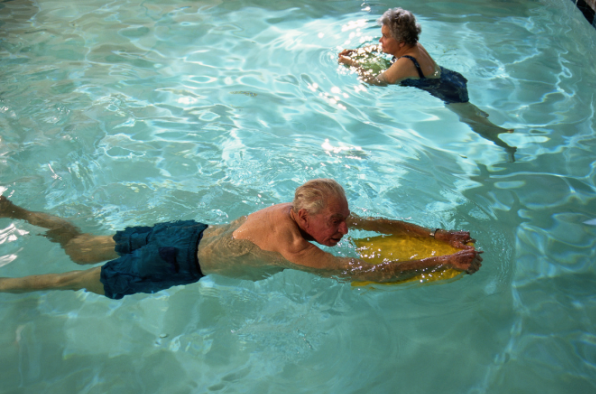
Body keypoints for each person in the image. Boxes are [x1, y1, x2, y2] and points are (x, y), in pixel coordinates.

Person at [0, 179, 482, 299]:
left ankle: (16, 212)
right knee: (77, 278)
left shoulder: (307, 210)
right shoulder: (295, 249)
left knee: (83, 244)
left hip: (186, 231)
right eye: (336, 224)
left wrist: (435, 235)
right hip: (175, 262)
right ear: (302, 217)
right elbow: (372, 272)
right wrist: (441, 262)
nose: (343, 229)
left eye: (344, 220)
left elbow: (380, 225)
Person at [338, 8, 517, 162]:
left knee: (470, 120)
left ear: (400, 42)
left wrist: (351, 63)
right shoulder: (413, 45)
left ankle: (504, 144)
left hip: (448, 91)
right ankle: (484, 120)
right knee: (469, 111)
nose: (380, 40)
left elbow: (377, 81)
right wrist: (357, 52)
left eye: (385, 36)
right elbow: (380, 49)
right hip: (452, 79)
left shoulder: (405, 63)